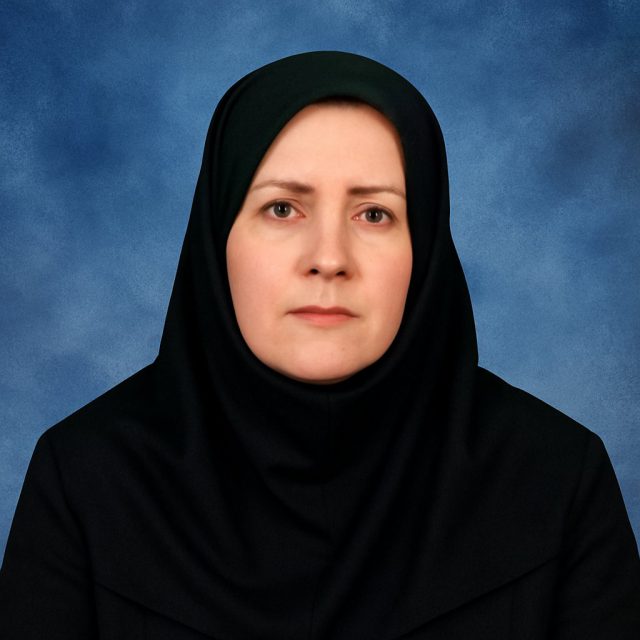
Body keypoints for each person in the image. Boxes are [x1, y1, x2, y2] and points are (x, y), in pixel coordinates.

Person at [1, 50, 639, 639]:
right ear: (218, 235)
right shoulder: (84, 480)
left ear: (424, 248)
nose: (329, 258)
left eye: (374, 214)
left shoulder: (558, 480)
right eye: (283, 208)